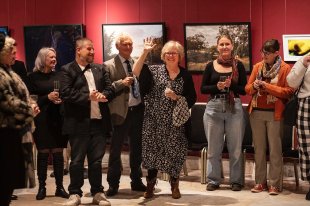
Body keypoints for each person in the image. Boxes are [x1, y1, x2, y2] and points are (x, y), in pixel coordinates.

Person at [133, 39, 197, 199]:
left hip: (175, 123)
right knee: (152, 154)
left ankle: (174, 185)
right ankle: (150, 185)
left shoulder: (185, 75)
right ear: (163, 55)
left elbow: (192, 98)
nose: (170, 55)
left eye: (174, 53)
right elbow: (135, 72)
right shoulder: (153, 70)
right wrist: (145, 52)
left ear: (180, 56)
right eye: (168, 53)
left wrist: (177, 97)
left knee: (175, 154)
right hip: (153, 121)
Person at [60, 38, 114, 206]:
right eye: (89, 49)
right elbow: (65, 93)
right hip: (78, 123)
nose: (93, 52)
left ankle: (97, 192)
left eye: (93, 49)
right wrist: (87, 97)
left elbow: (109, 88)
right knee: (76, 161)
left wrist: (104, 95)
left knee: (96, 161)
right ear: (78, 50)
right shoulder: (67, 70)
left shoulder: (100, 68)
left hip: (98, 122)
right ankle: (75, 193)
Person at [245, 39, 294, 195]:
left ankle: (274, 184)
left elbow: (288, 91)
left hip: (275, 114)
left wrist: (267, 87)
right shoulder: (257, 67)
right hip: (256, 112)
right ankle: (260, 182)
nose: (264, 55)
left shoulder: (286, 68)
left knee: (275, 149)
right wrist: (254, 86)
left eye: (267, 52)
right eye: (262, 52)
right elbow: (247, 88)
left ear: (276, 53)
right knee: (259, 149)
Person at [201, 34, 247, 192]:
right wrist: (217, 87)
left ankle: (236, 181)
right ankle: (213, 180)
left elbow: (244, 90)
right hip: (213, 107)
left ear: (232, 46)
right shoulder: (209, 65)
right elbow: (203, 88)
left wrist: (231, 84)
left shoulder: (238, 65)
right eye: (222, 44)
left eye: (227, 44)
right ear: (217, 47)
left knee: (235, 148)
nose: (225, 47)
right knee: (213, 148)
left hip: (234, 107)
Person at [104, 33, 146, 196]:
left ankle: (136, 181)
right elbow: (106, 89)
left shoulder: (137, 63)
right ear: (117, 47)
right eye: (125, 45)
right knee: (115, 150)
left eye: (130, 44)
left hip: (138, 111)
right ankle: (113, 184)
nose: (128, 47)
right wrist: (121, 83)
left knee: (137, 149)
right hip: (119, 113)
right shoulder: (108, 65)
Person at [0, 34, 39, 205]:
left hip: (14, 134)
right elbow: (7, 101)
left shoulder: (9, 71)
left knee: (7, 184)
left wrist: (31, 104)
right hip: (3, 135)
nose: (15, 55)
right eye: (11, 52)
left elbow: (22, 95)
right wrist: (29, 109)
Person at [28, 47, 69, 200]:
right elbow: (31, 99)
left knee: (58, 154)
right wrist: (47, 98)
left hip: (57, 119)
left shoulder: (59, 75)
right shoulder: (32, 77)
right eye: (50, 57)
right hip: (41, 119)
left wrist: (61, 99)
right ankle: (42, 187)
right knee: (43, 154)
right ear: (42, 59)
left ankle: (60, 187)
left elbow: (65, 93)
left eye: (55, 57)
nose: (54, 59)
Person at [287, 55, 310, 200]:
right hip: (305, 104)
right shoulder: (304, 60)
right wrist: (303, 63)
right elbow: (291, 82)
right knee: (306, 147)